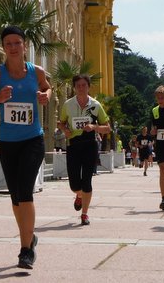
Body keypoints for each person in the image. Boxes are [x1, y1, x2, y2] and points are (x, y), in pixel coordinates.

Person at [0, 26, 52, 269]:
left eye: (17, 42)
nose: (13, 47)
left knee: (25, 191)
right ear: (3, 47)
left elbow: (47, 87)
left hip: (33, 140)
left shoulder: (36, 71)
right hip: (8, 143)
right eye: (8, 43)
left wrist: (46, 96)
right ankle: (29, 237)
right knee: (16, 196)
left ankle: (25, 250)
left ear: (25, 45)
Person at [58, 74, 110, 226]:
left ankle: (85, 214)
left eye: (84, 85)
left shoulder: (95, 105)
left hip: (89, 144)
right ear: (74, 87)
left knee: (87, 181)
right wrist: (65, 130)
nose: (81, 88)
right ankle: (79, 195)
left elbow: (107, 128)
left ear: (88, 87)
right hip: (73, 144)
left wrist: (94, 127)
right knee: (74, 184)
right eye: (78, 85)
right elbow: (61, 123)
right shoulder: (68, 104)